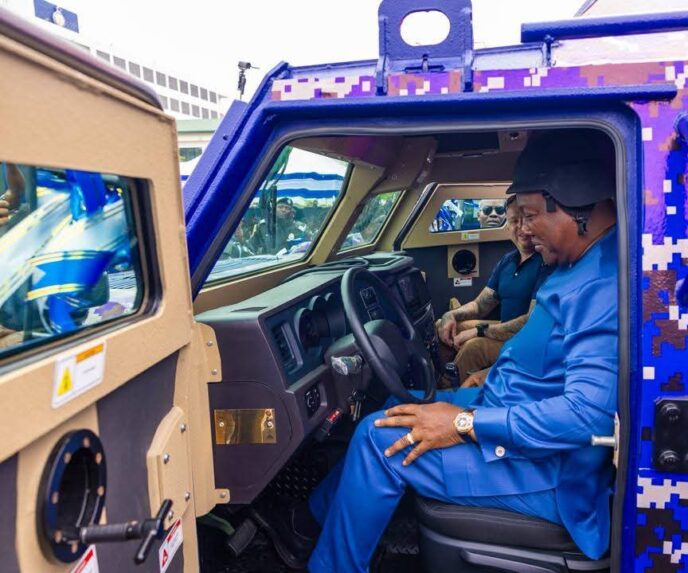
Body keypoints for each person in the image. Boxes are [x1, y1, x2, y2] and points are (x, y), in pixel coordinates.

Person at [253, 130, 619, 573]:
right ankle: (313, 521)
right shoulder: (583, 265)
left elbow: (589, 417)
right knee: (397, 405)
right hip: (512, 413)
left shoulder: (601, 284)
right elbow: (554, 358)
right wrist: (494, 376)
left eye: (530, 215)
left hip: (550, 475)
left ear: (574, 201)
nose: (523, 230)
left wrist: (463, 423)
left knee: (376, 438)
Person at [437, 196, 552, 385]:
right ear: (507, 225)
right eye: (515, 221)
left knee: (473, 348)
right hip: (501, 328)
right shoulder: (508, 261)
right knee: (443, 324)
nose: (522, 228)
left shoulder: (545, 262)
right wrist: (452, 315)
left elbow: (530, 322)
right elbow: (480, 305)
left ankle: (447, 395)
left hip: (524, 339)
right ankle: (437, 379)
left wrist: (479, 331)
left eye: (527, 220)